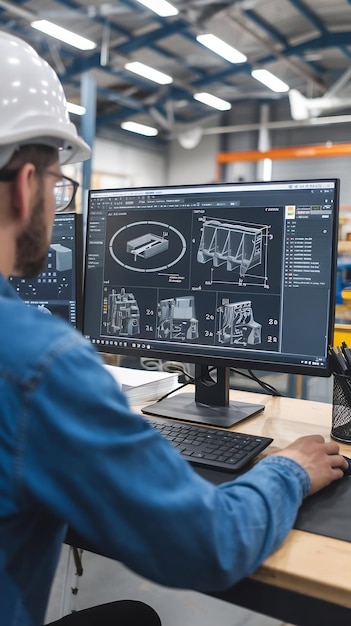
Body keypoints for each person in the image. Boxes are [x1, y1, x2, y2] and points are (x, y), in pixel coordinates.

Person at [0, 30, 348, 626]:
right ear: (28, 185)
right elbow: (206, 546)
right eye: (60, 184)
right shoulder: (36, 362)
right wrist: (289, 469)